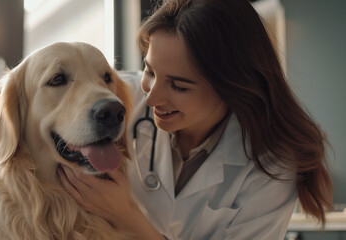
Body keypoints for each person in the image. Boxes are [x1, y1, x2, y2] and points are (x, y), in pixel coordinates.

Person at [58, 0, 333, 239]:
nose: (151, 99)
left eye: (179, 86)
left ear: (232, 87)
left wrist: (125, 214)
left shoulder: (271, 167)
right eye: (149, 70)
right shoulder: (120, 99)